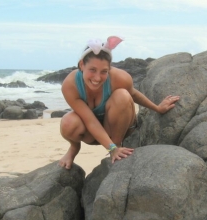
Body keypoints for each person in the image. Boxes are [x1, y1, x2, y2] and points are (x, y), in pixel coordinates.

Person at [58, 36, 180, 169]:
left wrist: (158, 108)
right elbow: (90, 121)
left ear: (109, 68)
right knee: (68, 122)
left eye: (104, 71)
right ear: (82, 65)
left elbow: (133, 94)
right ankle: (74, 148)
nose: (97, 78)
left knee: (122, 95)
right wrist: (111, 148)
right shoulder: (70, 85)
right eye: (92, 70)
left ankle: (117, 145)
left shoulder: (120, 78)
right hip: (91, 134)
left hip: (119, 128)